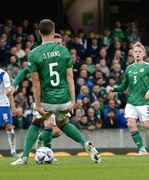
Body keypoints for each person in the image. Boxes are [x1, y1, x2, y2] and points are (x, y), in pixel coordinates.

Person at [10, 19, 101, 165]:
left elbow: (36, 82)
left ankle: (24, 157)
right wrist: (72, 101)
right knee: (64, 123)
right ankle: (84, 144)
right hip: (63, 98)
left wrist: (38, 104)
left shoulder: (34, 54)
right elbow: (70, 78)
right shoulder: (64, 51)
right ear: (53, 32)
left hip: (47, 99)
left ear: (39, 32)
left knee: (35, 123)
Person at [107, 42, 149, 155]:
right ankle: (142, 149)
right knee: (130, 124)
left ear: (143, 54)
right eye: (135, 51)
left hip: (143, 102)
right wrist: (113, 89)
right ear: (132, 53)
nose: (137, 53)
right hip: (131, 101)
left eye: (139, 51)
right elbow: (124, 86)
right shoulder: (128, 69)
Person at [7, 33, 64, 152]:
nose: (58, 46)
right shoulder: (42, 57)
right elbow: (25, 70)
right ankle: (45, 154)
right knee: (48, 124)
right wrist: (13, 85)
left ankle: (40, 139)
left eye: (60, 44)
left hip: (59, 97)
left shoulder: (63, 57)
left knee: (58, 132)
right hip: (45, 97)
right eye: (56, 43)